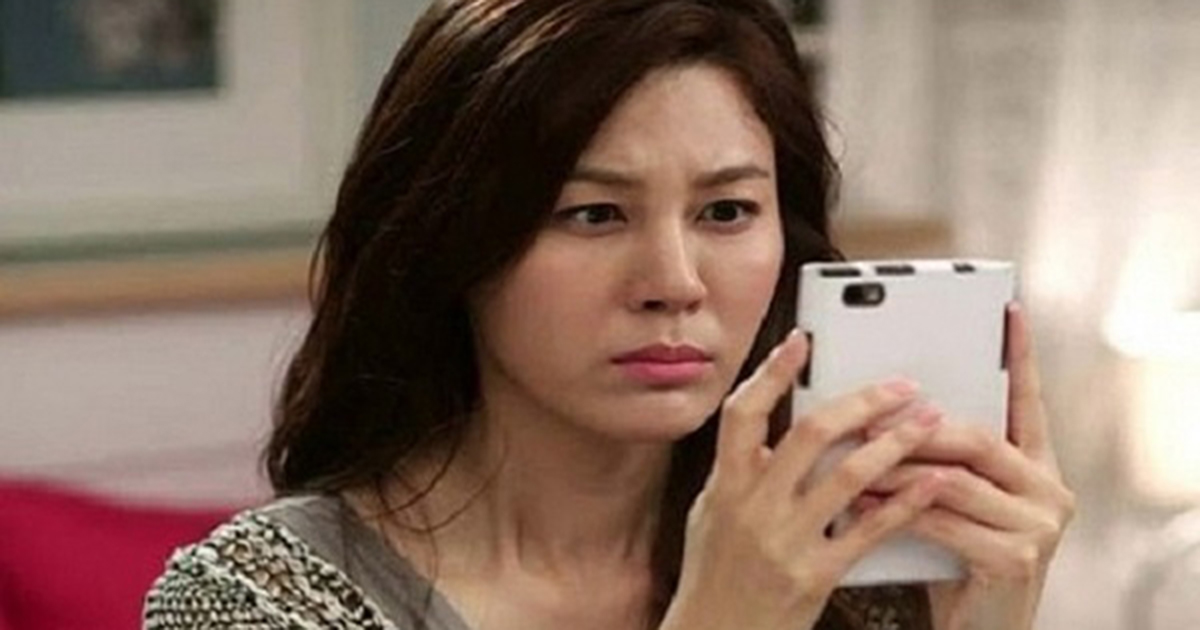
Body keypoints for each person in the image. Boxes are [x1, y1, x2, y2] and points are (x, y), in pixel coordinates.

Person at [144, 1, 1075, 629]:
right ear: (451, 239)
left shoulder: (851, 577)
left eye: (726, 211)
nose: (674, 281)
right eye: (592, 215)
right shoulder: (258, 602)